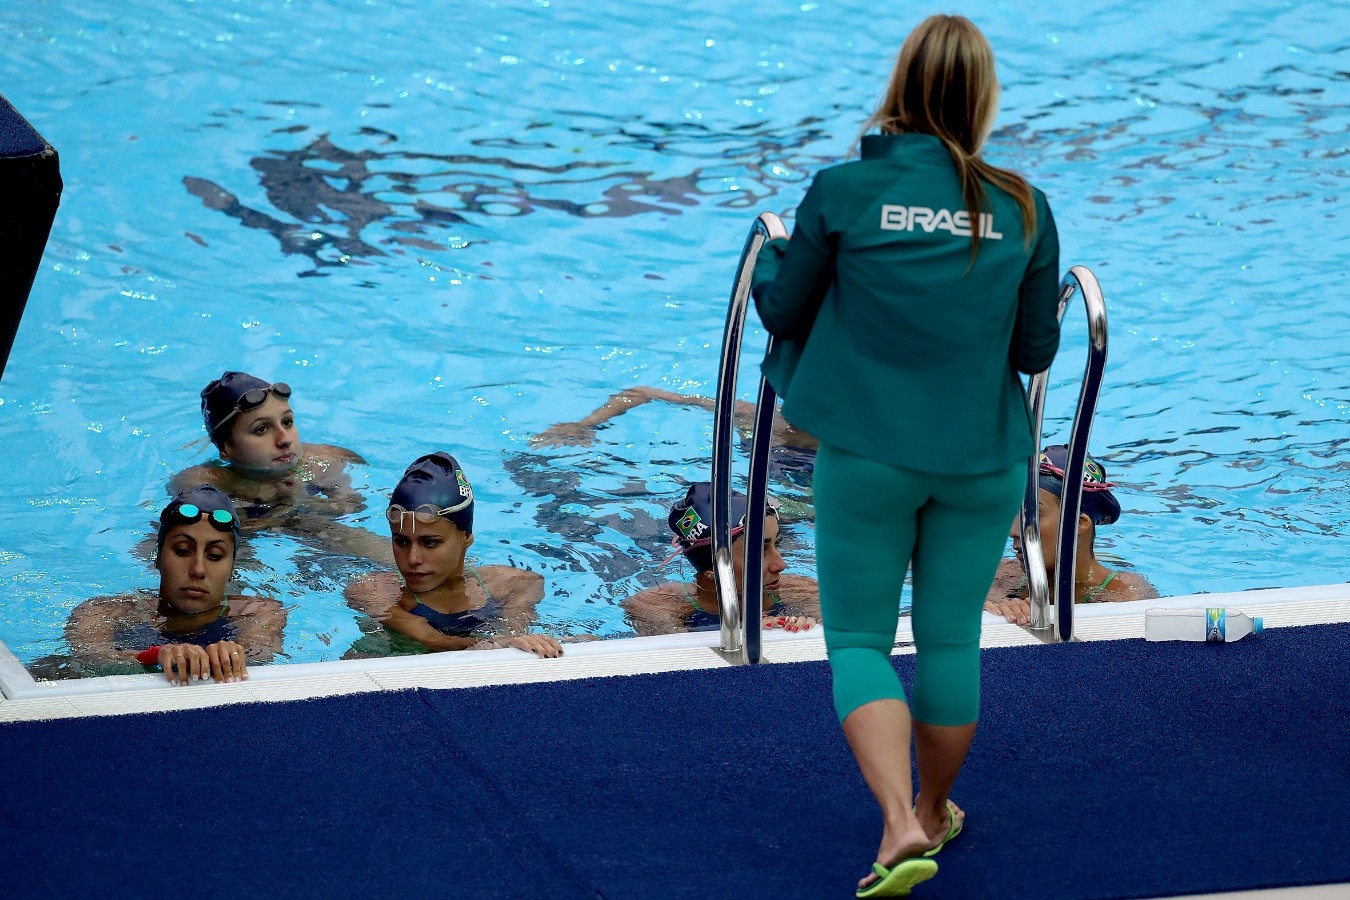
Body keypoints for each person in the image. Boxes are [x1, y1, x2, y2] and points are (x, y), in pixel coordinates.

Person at [750, 15, 1062, 897]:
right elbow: (1035, 350)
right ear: (982, 99)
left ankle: (893, 824)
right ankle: (935, 811)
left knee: (857, 639)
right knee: (950, 638)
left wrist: (779, 252)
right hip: (980, 458)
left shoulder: (845, 192)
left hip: (870, 455)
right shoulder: (1024, 206)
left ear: (902, 88)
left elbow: (781, 308)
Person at [344, 452, 565, 658]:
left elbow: (513, 637)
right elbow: (435, 641)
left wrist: (531, 643)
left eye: (430, 543)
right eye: (401, 542)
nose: (412, 559)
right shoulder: (374, 590)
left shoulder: (515, 585)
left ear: (466, 536)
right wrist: (497, 644)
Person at [63, 485, 286, 685]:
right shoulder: (104, 612)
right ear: (158, 557)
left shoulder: (258, 613)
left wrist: (236, 656)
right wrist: (154, 655)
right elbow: (91, 657)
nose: (198, 569)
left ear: (232, 570)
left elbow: (262, 652)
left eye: (215, 555)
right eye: (182, 551)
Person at [171, 370, 391, 562]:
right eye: (261, 429)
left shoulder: (326, 462)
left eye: (287, 422)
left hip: (310, 529)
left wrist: (299, 503)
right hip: (249, 547)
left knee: (313, 525)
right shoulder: (203, 482)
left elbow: (357, 507)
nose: (284, 439)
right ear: (226, 447)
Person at [984, 445, 1157, 624]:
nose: (1012, 531)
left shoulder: (1126, 593)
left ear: (1079, 524)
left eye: (1033, 515)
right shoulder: (1003, 576)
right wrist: (995, 606)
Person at [621, 482, 819, 636]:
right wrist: (738, 630)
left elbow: (844, 632)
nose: (781, 565)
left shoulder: (800, 590)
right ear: (712, 569)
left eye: (777, 544)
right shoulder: (657, 603)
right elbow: (674, 665)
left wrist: (809, 626)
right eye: (760, 552)